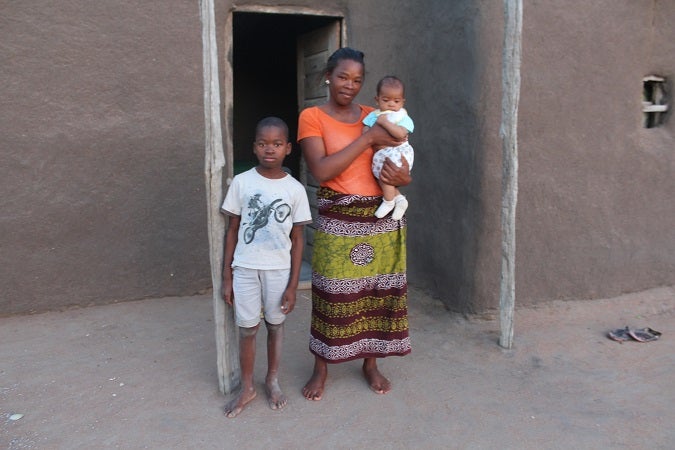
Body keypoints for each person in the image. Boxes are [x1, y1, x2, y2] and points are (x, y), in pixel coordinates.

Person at [297, 47, 412, 401]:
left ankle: (370, 363)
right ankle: (321, 367)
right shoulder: (312, 116)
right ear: (327, 76)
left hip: (381, 216)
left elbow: (400, 153)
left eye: (358, 79)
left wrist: (403, 178)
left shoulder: (376, 113)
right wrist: (366, 139)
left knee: (377, 293)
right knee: (332, 294)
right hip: (338, 217)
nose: (350, 85)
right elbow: (321, 170)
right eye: (343, 77)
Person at [220, 116, 312, 417]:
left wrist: (293, 286)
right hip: (245, 268)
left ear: (287, 148)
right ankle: (247, 386)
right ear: (254, 147)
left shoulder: (295, 190)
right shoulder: (243, 182)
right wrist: (227, 277)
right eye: (262, 143)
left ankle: (272, 379)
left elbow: (297, 240)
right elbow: (232, 230)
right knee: (247, 329)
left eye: (276, 144)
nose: (268, 149)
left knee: (275, 325)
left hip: (279, 271)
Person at [362, 75, 415, 220]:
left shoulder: (403, 117)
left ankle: (389, 201)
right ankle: (399, 200)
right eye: (386, 100)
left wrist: (384, 124)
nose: (391, 104)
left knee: (386, 175)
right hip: (382, 153)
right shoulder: (374, 115)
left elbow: (400, 134)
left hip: (399, 152)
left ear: (402, 102)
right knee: (379, 175)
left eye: (396, 101)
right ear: (377, 100)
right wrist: (371, 135)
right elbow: (365, 132)